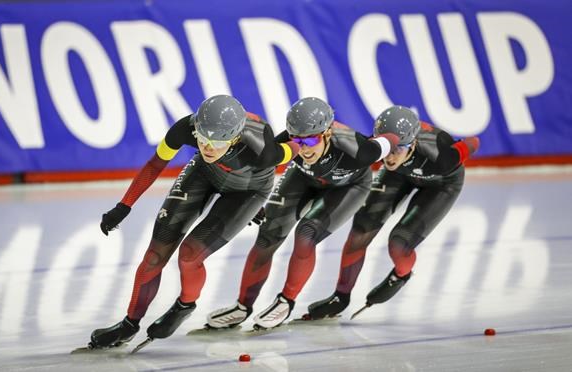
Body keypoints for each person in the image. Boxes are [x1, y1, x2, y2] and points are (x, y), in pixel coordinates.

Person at [86, 95, 301, 349]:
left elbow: (297, 144)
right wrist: (124, 205)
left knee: (189, 256)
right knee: (155, 254)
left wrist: (256, 205)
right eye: (202, 139)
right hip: (204, 174)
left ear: (233, 139)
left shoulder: (262, 148)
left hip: (247, 191)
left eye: (217, 143)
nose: (208, 147)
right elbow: (155, 165)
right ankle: (129, 324)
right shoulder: (185, 128)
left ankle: (185, 305)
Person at [205, 97, 400, 330]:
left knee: (306, 234)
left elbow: (391, 139)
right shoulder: (287, 141)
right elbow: (258, 167)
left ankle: (286, 301)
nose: (304, 148)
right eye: (298, 140)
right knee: (268, 233)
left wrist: (399, 138)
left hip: (348, 187)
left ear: (327, 133)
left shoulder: (358, 149)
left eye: (311, 140)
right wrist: (251, 201)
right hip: (303, 178)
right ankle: (242, 306)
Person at [307, 105, 480, 319]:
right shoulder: (381, 151)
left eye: (398, 149)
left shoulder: (442, 157)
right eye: (387, 148)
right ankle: (341, 297)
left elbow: (474, 141)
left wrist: (462, 146)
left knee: (399, 242)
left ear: (413, 143)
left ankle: (401, 274)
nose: (389, 157)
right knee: (361, 229)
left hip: (441, 183)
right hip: (398, 175)